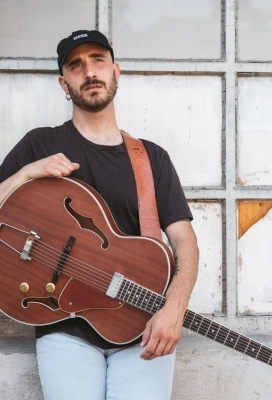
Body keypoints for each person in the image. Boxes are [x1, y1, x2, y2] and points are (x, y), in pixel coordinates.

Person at [0, 30, 199, 399]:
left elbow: (184, 240)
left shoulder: (151, 158)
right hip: (63, 328)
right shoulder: (39, 143)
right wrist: (27, 173)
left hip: (142, 331)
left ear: (116, 71)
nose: (89, 71)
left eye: (98, 60)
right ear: (64, 82)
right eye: (76, 65)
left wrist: (175, 308)